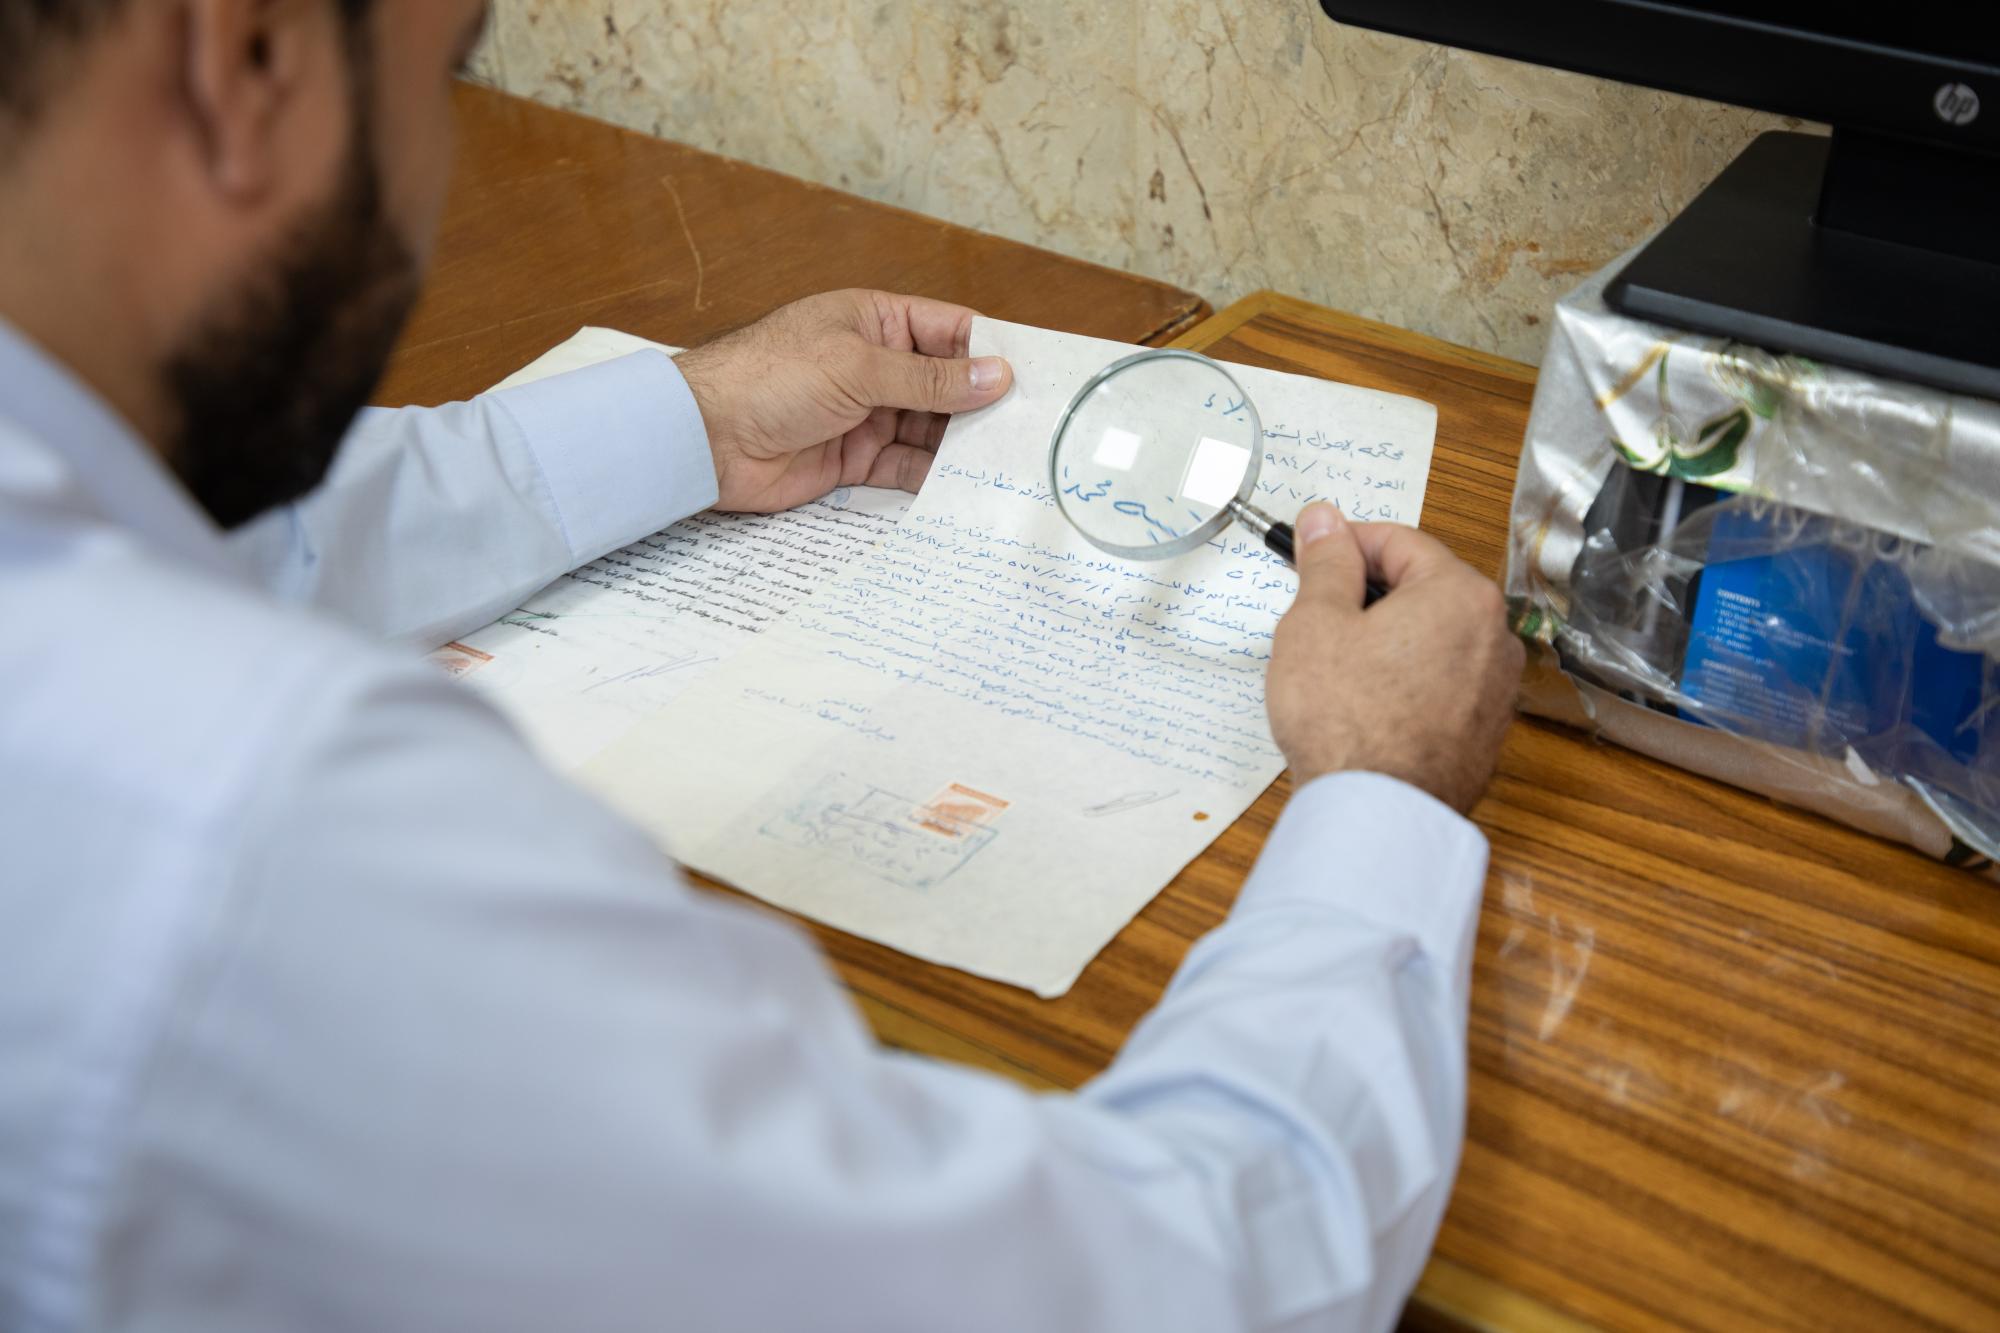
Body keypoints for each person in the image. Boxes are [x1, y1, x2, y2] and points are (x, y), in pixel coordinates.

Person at [0, 2, 1524, 1331]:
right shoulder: (270, 841)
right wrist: (1382, 796)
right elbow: (1156, 1288)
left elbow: (231, 530)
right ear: (246, 60)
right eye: (444, 70)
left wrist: (691, 419)